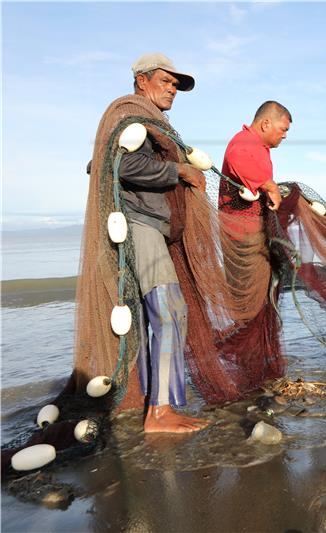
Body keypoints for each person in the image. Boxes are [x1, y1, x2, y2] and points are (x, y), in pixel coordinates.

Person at [118, 53, 208, 432]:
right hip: (140, 224)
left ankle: (157, 403)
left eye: (176, 85)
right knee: (169, 311)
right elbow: (124, 166)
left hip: (150, 225)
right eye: (165, 82)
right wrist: (179, 170)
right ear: (142, 81)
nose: (172, 89)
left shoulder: (152, 121)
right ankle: (159, 412)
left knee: (160, 315)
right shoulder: (131, 117)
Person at [218, 101, 291, 233]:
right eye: (283, 129)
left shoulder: (260, 147)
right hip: (241, 235)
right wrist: (271, 187)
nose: (285, 136)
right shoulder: (245, 139)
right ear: (266, 124)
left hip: (255, 231)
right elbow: (236, 158)